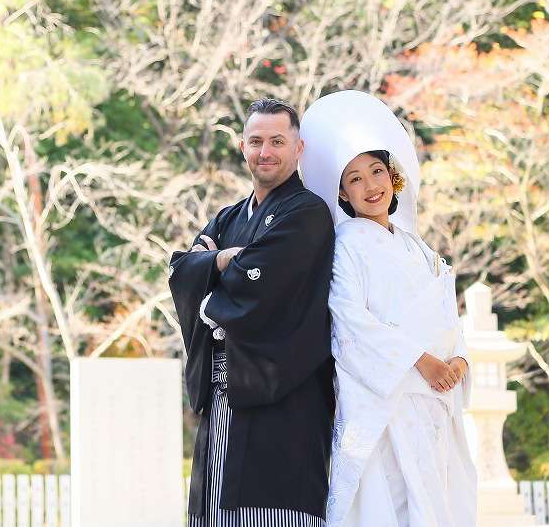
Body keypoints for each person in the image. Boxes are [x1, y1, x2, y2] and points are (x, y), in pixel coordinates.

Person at [300, 90, 477, 527]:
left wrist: (459, 359)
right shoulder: (346, 246)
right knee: (392, 506)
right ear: (343, 194)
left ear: (393, 177)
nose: (371, 186)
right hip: (390, 402)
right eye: (355, 179)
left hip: (435, 398)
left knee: (437, 503)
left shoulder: (418, 246)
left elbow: (447, 316)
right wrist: (422, 361)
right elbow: (350, 321)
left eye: (377, 171)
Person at [169, 98, 337, 527]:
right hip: (223, 392)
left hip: (288, 395)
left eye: (277, 141)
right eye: (257, 141)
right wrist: (224, 260)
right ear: (242, 146)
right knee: (216, 511)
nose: (266, 151)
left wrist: (211, 270)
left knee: (276, 511)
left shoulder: (307, 213)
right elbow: (181, 272)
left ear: (298, 148)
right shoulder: (228, 218)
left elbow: (257, 285)